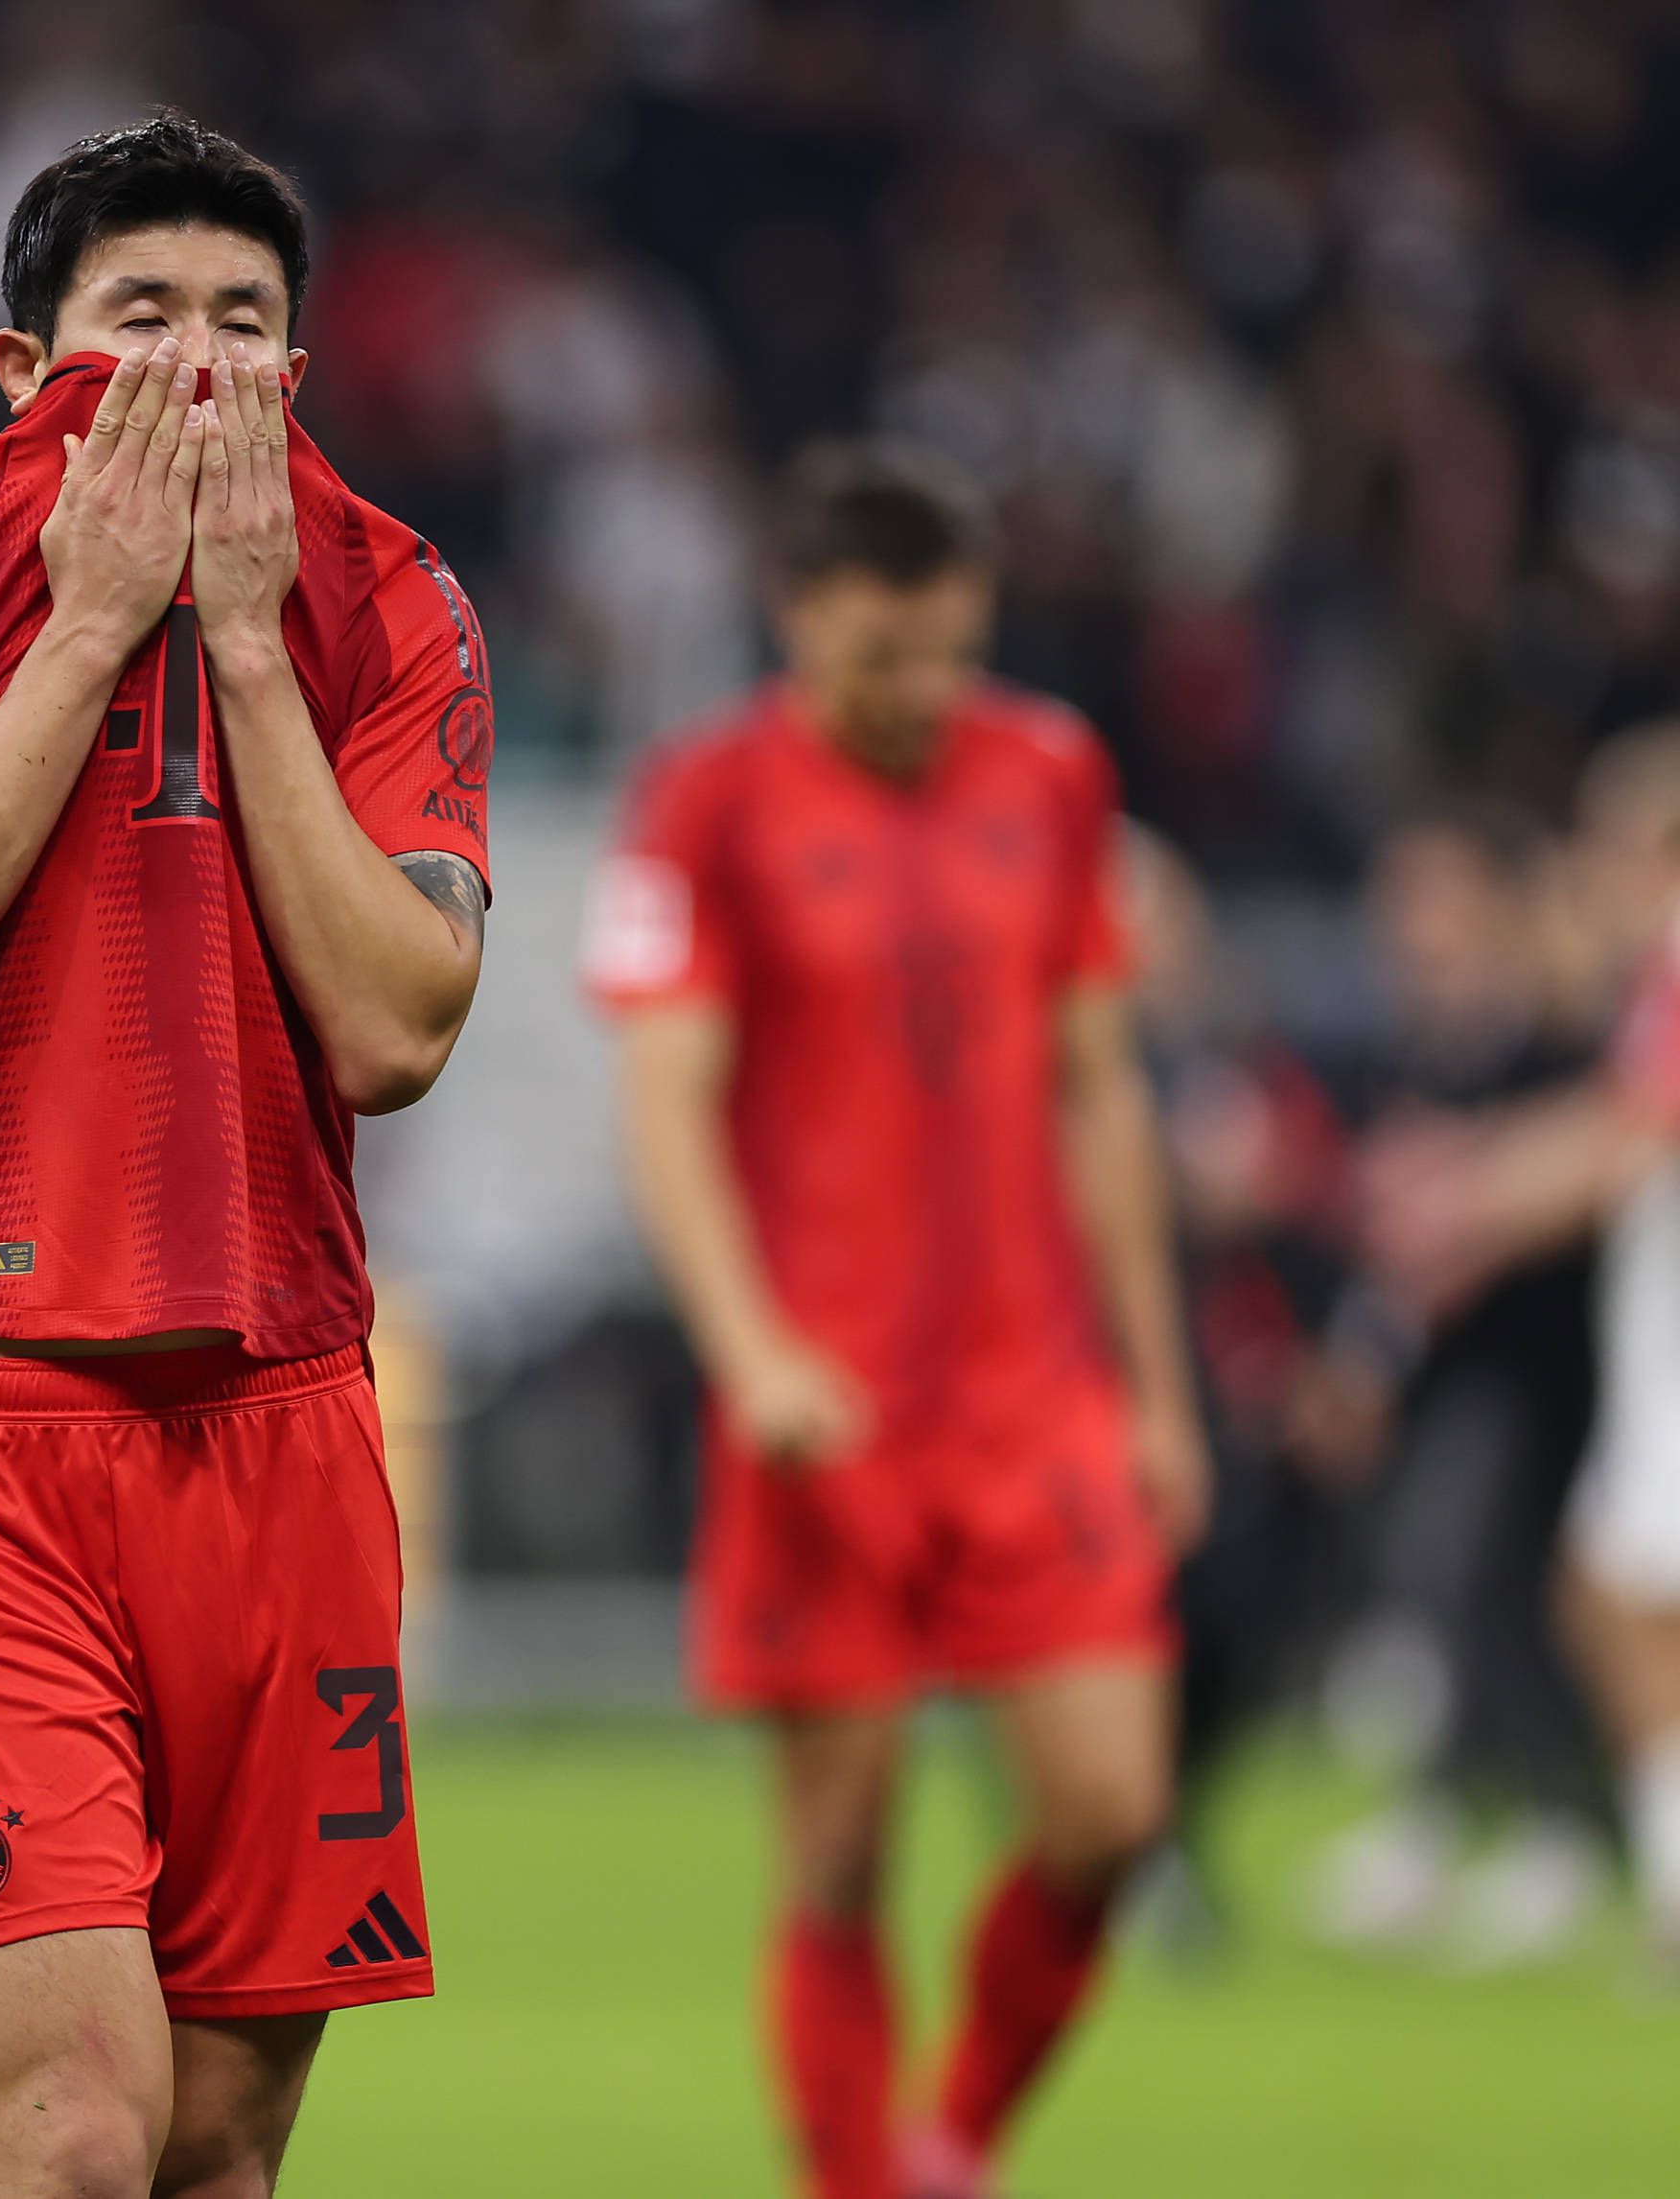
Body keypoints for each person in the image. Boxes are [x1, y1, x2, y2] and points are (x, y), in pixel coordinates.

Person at [0, 117, 491, 2199]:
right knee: (79, 2137)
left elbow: (392, 1023)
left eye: (244, 325)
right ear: (22, 363)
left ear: (301, 366)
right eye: (139, 317)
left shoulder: (391, 596)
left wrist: (244, 646)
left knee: (220, 2150)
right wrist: (93, 622)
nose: (194, 367)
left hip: (281, 1444)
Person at [586, 444, 1207, 2199]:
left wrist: (1157, 1387)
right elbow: (666, 1099)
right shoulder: (704, 796)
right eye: (880, 657)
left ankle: (954, 2143)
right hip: (826, 1403)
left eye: (949, 650)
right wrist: (753, 1346)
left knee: (1110, 1812)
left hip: (1034, 1395)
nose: (920, 691)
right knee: (841, 1851)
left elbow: (1101, 1088)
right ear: (797, 617)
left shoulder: (1052, 770)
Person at [1365, 719, 1680, 1989]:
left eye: (1613, 842)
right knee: (1613, 1593)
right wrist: (1489, 1192)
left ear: (1673, 846)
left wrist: (1473, 1197)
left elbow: (1650, 1118)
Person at [1309, 808, 1612, 1970]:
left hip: (1539, 1363)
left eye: (1433, 895)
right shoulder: (1411, 1048)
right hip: (1449, 1370)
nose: (1411, 924)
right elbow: (1387, 1235)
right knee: (1440, 1582)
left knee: (1480, 1578)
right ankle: (1454, 1811)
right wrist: (1364, 1355)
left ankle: (1558, 1824)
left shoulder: (1549, 1037)